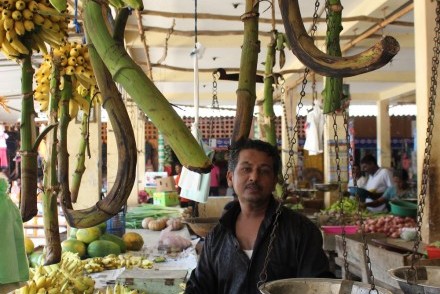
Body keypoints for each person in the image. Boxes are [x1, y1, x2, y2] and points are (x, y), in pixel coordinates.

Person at [185, 139, 332, 294]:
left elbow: (319, 287)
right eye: (246, 169)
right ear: (230, 178)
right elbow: (198, 288)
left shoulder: (301, 231)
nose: (254, 177)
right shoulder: (216, 237)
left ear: (275, 180)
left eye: (264, 170)